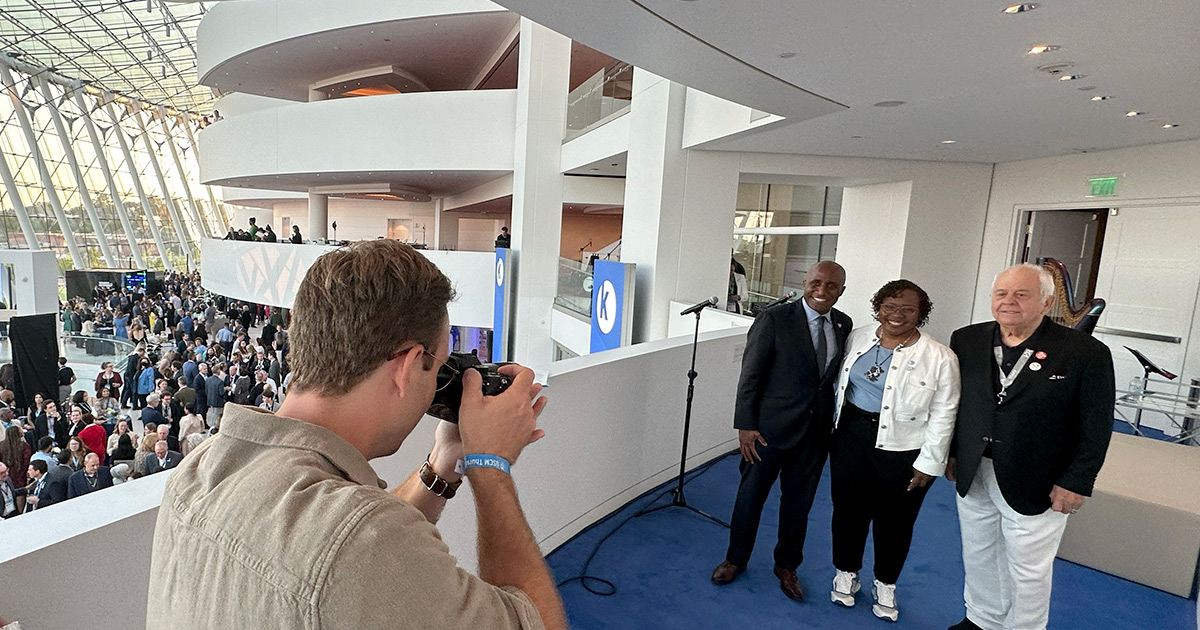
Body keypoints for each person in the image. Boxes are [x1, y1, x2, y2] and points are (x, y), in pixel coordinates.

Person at [147, 239, 566, 629]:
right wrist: (490, 464)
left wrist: (446, 459)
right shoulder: (365, 542)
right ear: (408, 365)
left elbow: (341, 551)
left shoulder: (198, 473)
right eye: (437, 369)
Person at [946, 263, 1115, 630]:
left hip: (1039, 476)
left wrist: (1077, 480)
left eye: (1022, 294)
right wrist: (955, 453)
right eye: (1001, 294)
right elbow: (962, 404)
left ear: (1047, 301)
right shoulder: (967, 339)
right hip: (975, 469)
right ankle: (981, 619)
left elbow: (1096, 424)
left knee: (1028, 568)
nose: (1009, 302)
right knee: (979, 553)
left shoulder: (1086, 352)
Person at [712, 261, 852, 601]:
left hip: (815, 434)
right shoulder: (774, 319)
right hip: (766, 432)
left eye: (831, 286)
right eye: (816, 282)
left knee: (799, 504)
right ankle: (735, 558)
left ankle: (787, 566)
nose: (822, 290)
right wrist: (745, 425)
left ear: (841, 291)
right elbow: (751, 375)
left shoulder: (842, 323)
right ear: (805, 282)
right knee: (750, 498)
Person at [827, 280, 960, 620]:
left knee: (896, 519)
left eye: (907, 309)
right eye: (889, 306)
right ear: (878, 307)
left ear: (921, 313)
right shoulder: (859, 336)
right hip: (850, 436)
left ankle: (885, 582)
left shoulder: (940, 357)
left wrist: (929, 463)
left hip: (904, 447)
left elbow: (945, 413)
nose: (896, 315)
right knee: (847, 510)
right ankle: (846, 572)